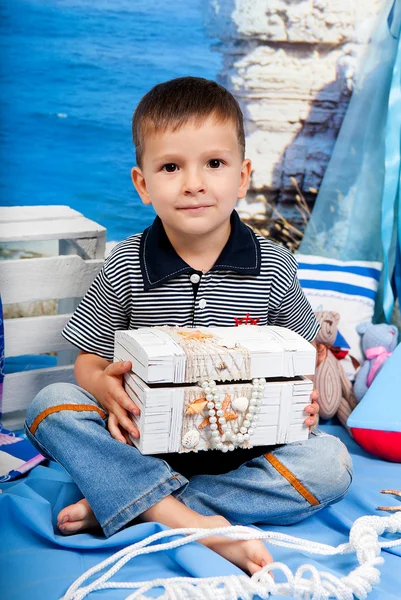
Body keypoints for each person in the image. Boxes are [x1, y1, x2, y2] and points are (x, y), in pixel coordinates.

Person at [25, 77, 352, 576]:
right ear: (143, 184)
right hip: (139, 441)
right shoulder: (126, 264)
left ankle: (147, 504)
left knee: (333, 464)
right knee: (47, 407)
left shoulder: (273, 266)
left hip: (243, 447)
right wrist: (104, 389)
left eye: (214, 164)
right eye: (171, 167)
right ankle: (187, 518)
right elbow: (87, 363)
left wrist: (304, 396)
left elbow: (306, 356)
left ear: (243, 177)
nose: (194, 183)